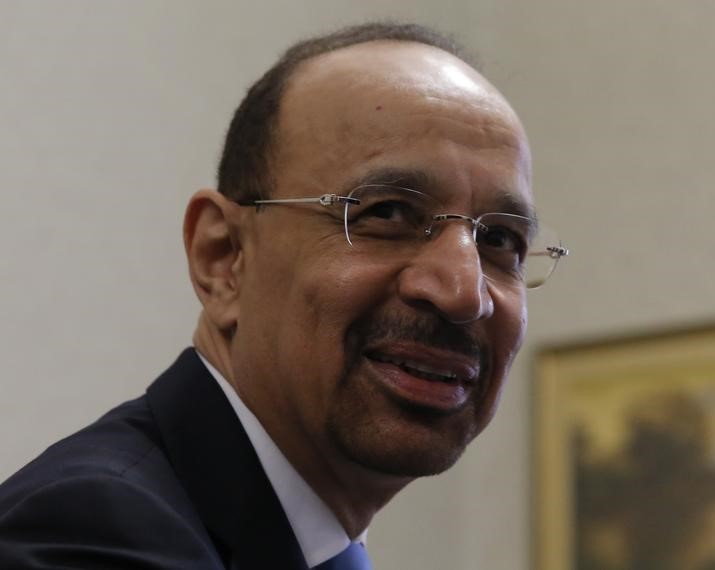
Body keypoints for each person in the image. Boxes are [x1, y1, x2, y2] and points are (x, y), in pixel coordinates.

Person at [0, 22, 567, 569]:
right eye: (386, 213)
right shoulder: (89, 535)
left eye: (499, 240)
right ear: (223, 259)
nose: (464, 292)